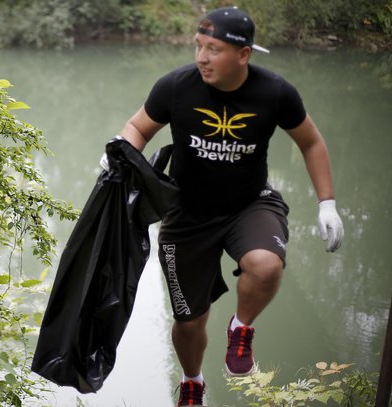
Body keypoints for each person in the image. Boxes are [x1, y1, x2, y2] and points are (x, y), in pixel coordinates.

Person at [100, 6, 344, 406]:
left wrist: (327, 203)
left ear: (243, 54)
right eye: (198, 46)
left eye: (213, 49)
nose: (201, 58)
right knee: (189, 319)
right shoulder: (177, 87)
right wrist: (120, 151)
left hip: (249, 204)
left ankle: (241, 328)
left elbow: (311, 142)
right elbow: (138, 127)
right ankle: (193, 380)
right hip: (186, 214)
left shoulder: (275, 92)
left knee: (265, 265)